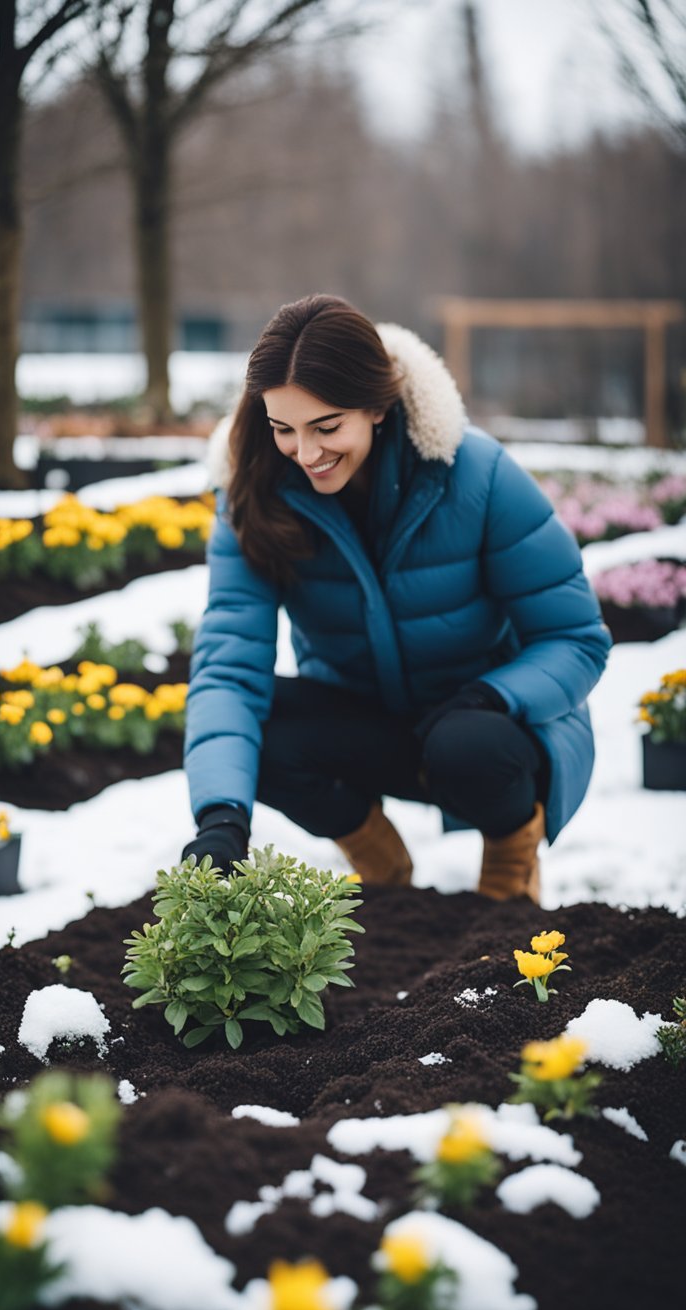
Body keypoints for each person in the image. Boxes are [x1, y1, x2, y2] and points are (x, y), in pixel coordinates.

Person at [181, 294, 611, 903]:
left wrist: (493, 695)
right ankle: (381, 865)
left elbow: (577, 639)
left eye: (327, 427)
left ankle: (512, 868)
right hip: (369, 724)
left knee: (468, 745)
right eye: (284, 429)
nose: (305, 454)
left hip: (488, 731)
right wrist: (221, 819)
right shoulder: (253, 496)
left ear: (378, 407)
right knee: (259, 727)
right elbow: (227, 666)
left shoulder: (477, 475)